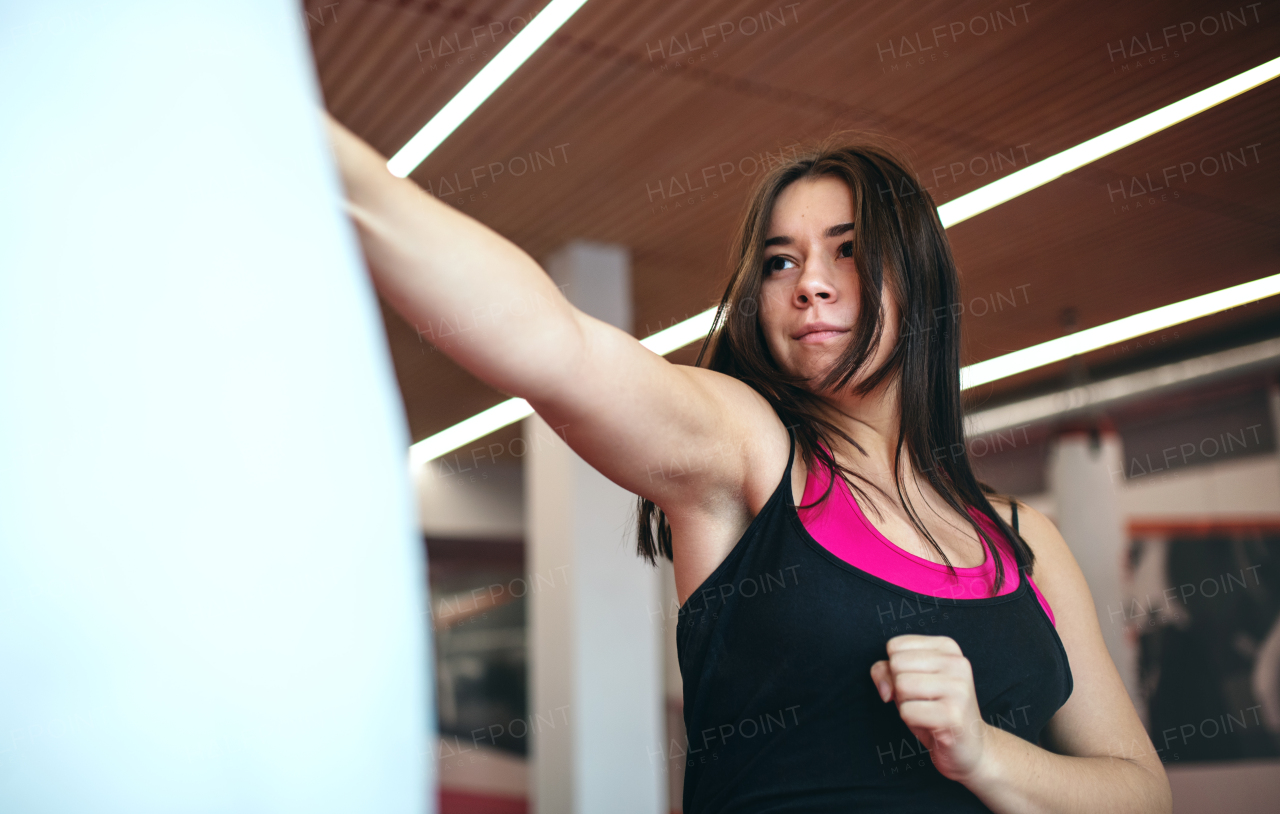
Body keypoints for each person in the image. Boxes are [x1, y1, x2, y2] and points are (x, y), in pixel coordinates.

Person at [324, 113, 1173, 813]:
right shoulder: (747, 451)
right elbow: (554, 344)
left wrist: (984, 754)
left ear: (920, 282)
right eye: (781, 261)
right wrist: (329, 161)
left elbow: (1140, 795)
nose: (810, 282)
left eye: (847, 248)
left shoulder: (1025, 544)